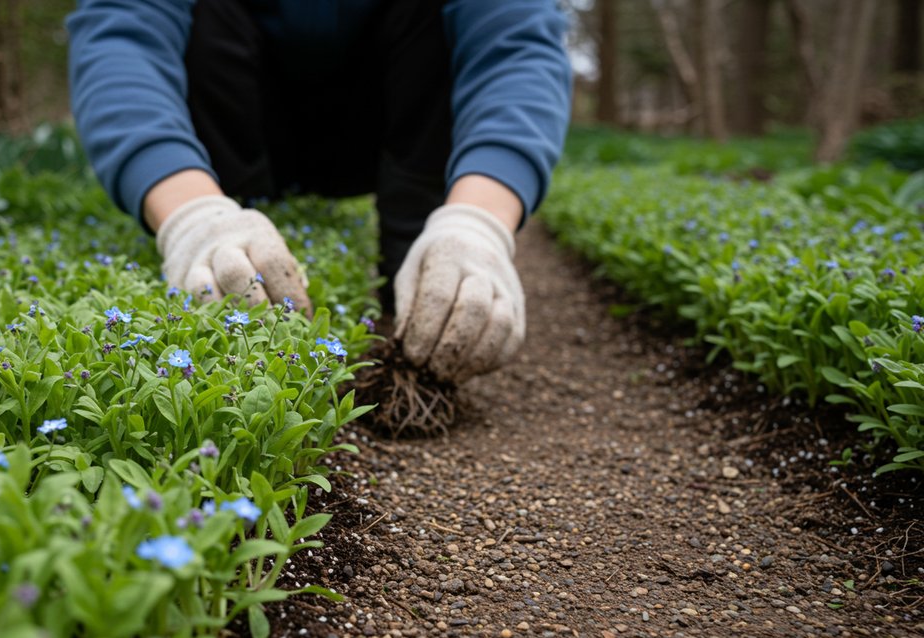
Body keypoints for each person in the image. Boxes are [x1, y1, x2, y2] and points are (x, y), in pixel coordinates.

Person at [67, 0, 572, 384]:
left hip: (389, 121)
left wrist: (478, 222)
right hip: (234, 125)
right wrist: (191, 215)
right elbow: (123, 35)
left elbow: (515, 44)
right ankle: (235, 251)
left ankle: (423, 252)